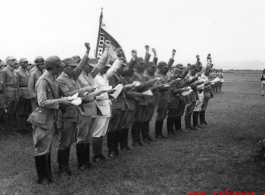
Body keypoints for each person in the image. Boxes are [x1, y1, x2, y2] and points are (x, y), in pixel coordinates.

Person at [27, 55, 71, 184]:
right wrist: (60, 101)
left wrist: (64, 101)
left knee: (47, 147)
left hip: (49, 118)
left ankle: (48, 175)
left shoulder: (52, 78)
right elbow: (42, 101)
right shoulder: (43, 80)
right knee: (41, 148)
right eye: (60, 67)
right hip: (42, 119)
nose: (61, 70)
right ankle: (42, 177)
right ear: (55, 67)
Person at [56, 43, 92, 176]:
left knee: (70, 141)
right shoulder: (61, 80)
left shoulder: (72, 76)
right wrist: (84, 90)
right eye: (71, 67)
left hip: (74, 114)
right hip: (66, 115)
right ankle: (62, 167)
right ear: (64, 67)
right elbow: (68, 95)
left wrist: (87, 52)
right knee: (65, 142)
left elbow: (81, 65)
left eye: (74, 67)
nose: (74, 69)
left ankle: (65, 166)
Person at [76, 41, 111, 167]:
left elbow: (101, 63)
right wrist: (87, 51)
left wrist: (106, 49)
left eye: (92, 66)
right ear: (83, 65)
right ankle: (81, 162)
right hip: (83, 109)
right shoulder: (78, 76)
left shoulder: (91, 74)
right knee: (82, 136)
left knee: (89, 135)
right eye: (89, 66)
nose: (92, 68)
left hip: (93, 108)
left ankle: (86, 161)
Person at [154, 49, 175, 139]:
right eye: (165, 67)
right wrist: (170, 85)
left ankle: (159, 133)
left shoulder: (162, 74)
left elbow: (168, 66)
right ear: (160, 67)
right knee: (160, 116)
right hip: (160, 98)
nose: (166, 69)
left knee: (162, 116)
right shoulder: (157, 75)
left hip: (165, 98)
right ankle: (158, 134)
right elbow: (160, 88)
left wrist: (172, 56)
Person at [0, 56, 20, 135]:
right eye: (12, 61)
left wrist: (18, 93)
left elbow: (17, 84)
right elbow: (2, 85)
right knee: (6, 113)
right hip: (8, 94)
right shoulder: (4, 71)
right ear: (8, 62)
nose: (14, 62)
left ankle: (11, 130)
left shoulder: (15, 71)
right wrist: (4, 97)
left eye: (14, 60)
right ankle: (7, 131)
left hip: (15, 94)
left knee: (12, 112)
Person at [15, 58, 31, 134]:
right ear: (20, 63)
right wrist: (19, 94)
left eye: (26, 62)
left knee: (25, 112)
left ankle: (24, 128)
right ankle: (19, 128)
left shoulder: (27, 71)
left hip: (27, 92)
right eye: (24, 62)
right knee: (19, 112)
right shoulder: (17, 72)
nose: (26, 64)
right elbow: (17, 84)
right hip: (21, 92)